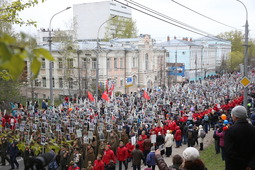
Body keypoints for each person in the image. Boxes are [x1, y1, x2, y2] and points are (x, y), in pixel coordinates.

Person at [225, 105, 255, 170]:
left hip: (235, 166)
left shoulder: (230, 130)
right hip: (250, 166)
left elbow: (229, 151)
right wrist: (250, 165)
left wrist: (243, 164)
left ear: (236, 116)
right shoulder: (253, 129)